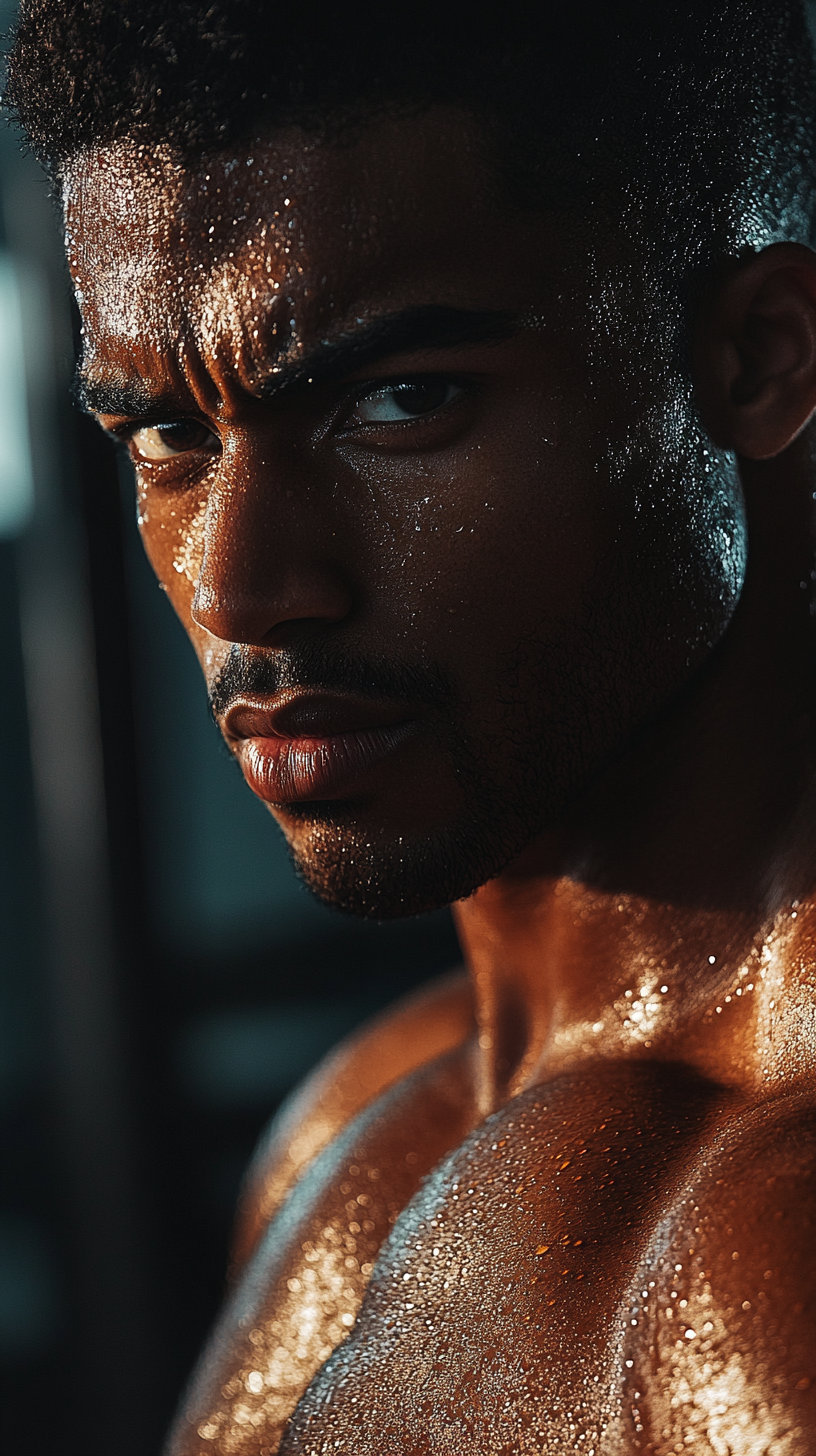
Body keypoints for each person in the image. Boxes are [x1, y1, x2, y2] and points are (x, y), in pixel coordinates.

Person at [6, 0, 816, 1449]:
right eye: (169, 438)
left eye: (400, 401)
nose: (242, 584)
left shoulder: (769, 1257)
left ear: (758, 361)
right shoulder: (355, 1129)